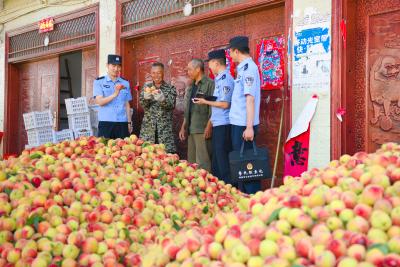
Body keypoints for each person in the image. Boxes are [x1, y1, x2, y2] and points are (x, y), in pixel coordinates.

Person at [192, 49, 234, 184]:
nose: (209, 66)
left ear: (216, 62)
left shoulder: (226, 79)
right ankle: (219, 189)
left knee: (223, 163)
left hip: (224, 125)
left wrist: (205, 101)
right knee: (216, 162)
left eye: (209, 63)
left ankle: (229, 189)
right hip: (218, 124)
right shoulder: (219, 79)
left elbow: (225, 104)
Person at [228, 36, 262, 194]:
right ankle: (245, 198)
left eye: (231, 51)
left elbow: (250, 99)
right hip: (239, 123)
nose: (230, 55)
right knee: (242, 166)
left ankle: (254, 199)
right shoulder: (242, 68)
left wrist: (249, 128)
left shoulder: (249, 69)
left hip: (244, 125)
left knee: (249, 167)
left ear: (236, 51)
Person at [179, 59, 214, 171]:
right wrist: (183, 127)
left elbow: (213, 107)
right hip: (191, 129)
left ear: (198, 69)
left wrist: (209, 126)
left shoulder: (209, 84)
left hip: (202, 129)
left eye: (189, 69)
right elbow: (188, 108)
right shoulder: (190, 86)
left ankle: (207, 186)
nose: (187, 72)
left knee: (203, 163)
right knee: (192, 163)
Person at [139, 62, 177, 153]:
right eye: (153, 73)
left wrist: (163, 100)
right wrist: (145, 99)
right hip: (148, 131)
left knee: (166, 158)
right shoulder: (146, 87)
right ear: (151, 73)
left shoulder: (170, 88)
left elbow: (171, 105)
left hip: (164, 132)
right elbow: (143, 105)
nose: (156, 75)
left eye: (159, 73)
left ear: (163, 73)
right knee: (147, 159)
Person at [93, 54, 132, 139]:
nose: (116, 69)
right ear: (107, 65)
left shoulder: (125, 83)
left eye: (118, 66)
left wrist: (129, 123)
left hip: (122, 123)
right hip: (106, 123)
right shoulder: (99, 82)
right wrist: (115, 94)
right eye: (113, 65)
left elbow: (127, 104)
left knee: (123, 151)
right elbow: (100, 102)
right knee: (105, 150)